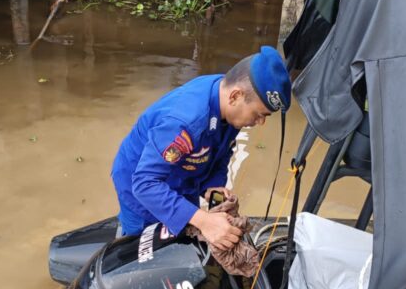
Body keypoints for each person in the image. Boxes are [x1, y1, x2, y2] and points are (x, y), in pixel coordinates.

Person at [111, 46, 291, 250]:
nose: (260, 122)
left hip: (181, 179)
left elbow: (222, 151)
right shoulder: (186, 123)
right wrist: (203, 221)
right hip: (142, 186)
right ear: (235, 96)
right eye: (259, 114)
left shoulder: (228, 105)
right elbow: (144, 183)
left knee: (185, 239)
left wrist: (211, 185)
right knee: (144, 252)